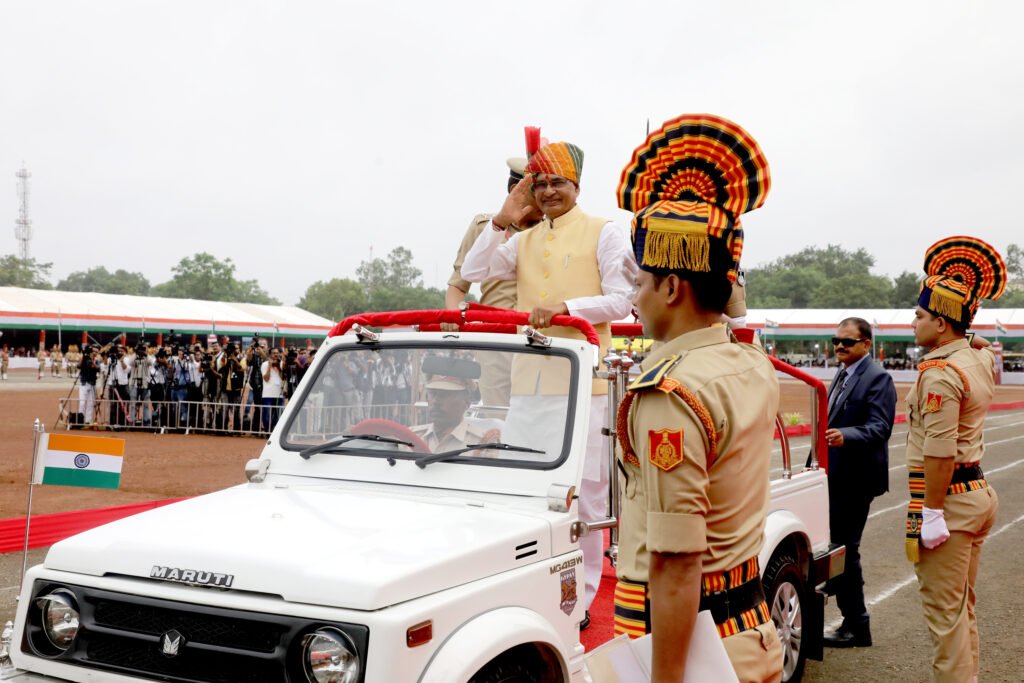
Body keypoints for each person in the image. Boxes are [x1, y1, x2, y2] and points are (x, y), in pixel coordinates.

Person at [613, 113, 782, 682]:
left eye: (639, 282)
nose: (634, 298)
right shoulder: (749, 362)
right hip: (746, 627)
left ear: (670, 286)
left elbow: (677, 563)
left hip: (692, 649)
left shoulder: (672, 391)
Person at [462, 135, 636, 623]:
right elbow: (475, 270)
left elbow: (623, 300)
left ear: (577, 185)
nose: (548, 192)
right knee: (528, 493)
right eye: (540, 184)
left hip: (586, 385)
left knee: (584, 493)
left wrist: (567, 308)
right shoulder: (523, 237)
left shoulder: (605, 231)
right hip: (529, 383)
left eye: (558, 182)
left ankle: (579, 597)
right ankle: (537, 587)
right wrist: (503, 217)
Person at [905, 236, 1005, 683]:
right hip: (977, 493)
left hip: (950, 500)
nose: (913, 322)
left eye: (921, 315)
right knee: (961, 609)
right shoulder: (976, 358)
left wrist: (930, 512)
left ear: (942, 324)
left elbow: (939, 452)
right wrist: (968, 327)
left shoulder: (940, 373)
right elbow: (979, 342)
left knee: (945, 620)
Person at [444, 156, 543, 408]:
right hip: (496, 339)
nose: (546, 195)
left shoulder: (553, 231)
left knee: (537, 413)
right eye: (538, 189)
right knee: (497, 414)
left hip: (539, 337)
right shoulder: (484, 227)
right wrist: (452, 317)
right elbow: (458, 284)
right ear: (515, 191)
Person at [822, 317, 896, 648]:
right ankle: (850, 617)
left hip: (856, 479)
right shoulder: (842, 372)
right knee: (837, 547)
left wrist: (845, 436)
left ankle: (857, 625)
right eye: (836, 340)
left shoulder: (878, 378)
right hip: (835, 475)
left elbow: (881, 427)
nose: (839, 346)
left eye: (847, 342)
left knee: (846, 550)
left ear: (866, 344)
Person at [411, 357, 496, 451]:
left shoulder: (482, 444)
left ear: (467, 400)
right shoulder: (409, 438)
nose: (435, 401)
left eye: (445, 395)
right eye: (433, 393)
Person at [261, 347, 285, 431]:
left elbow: (283, 378)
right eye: (274, 353)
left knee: (278, 413)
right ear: (270, 354)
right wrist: (269, 367)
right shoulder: (265, 364)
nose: (276, 355)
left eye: (277, 353)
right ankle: (267, 430)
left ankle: (273, 430)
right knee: (266, 413)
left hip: (279, 393)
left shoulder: (281, 363)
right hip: (267, 393)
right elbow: (266, 378)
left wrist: (279, 367)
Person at [77, 345, 99, 424]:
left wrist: (92, 361)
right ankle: (80, 420)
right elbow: (78, 366)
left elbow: (97, 368)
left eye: (96, 352)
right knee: (82, 402)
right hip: (84, 383)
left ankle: (88, 421)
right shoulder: (84, 358)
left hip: (92, 384)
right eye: (93, 351)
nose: (95, 353)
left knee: (90, 403)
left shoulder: (96, 361)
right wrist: (84, 356)